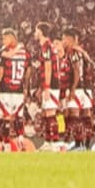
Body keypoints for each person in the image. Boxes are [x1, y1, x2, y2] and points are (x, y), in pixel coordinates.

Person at [0, 28, 30, 150]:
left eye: (4, 38)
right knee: (19, 116)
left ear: (12, 37)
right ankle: (20, 142)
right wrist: (25, 87)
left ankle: (6, 144)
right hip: (19, 89)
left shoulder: (5, 52)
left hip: (5, 89)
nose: (3, 41)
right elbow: (28, 71)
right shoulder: (25, 52)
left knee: (5, 117)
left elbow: (1, 71)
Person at [62, 27, 95, 151]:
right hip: (87, 87)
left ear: (70, 39)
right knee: (86, 116)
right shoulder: (81, 52)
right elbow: (89, 64)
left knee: (74, 116)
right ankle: (86, 145)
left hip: (78, 88)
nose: (63, 42)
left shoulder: (73, 52)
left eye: (64, 39)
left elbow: (76, 71)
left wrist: (73, 89)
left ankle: (78, 144)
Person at [34, 22, 64, 150]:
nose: (34, 34)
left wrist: (46, 87)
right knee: (47, 113)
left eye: (36, 31)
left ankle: (55, 142)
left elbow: (48, 67)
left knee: (51, 112)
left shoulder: (46, 46)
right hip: (49, 84)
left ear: (40, 32)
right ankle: (48, 141)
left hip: (51, 84)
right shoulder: (49, 46)